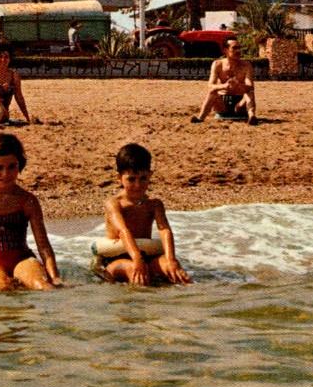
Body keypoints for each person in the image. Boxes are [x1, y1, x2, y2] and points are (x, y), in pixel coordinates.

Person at [0, 133, 62, 290]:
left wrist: (55, 277)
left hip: (23, 260)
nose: (5, 174)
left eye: (11, 167)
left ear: (19, 165)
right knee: (4, 287)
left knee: (43, 286)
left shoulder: (28, 201)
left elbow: (44, 246)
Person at [97, 143, 191, 285]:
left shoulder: (154, 204)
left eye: (143, 178)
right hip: (116, 258)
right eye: (131, 179)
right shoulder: (114, 204)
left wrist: (171, 259)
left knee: (177, 273)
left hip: (146, 255)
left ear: (150, 175)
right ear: (119, 178)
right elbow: (123, 231)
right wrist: (136, 258)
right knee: (135, 273)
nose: (137, 185)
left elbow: (164, 230)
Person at [192, 36, 257, 125]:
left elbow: (250, 86)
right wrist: (224, 86)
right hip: (222, 104)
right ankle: (200, 118)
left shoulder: (246, 65)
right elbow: (210, 85)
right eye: (234, 48)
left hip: (240, 104)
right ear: (225, 50)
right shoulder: (217, 64)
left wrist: (239, 85)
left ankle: (252, 116)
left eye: (239, 48)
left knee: (250, 92)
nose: (238, 51)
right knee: (212, 91)